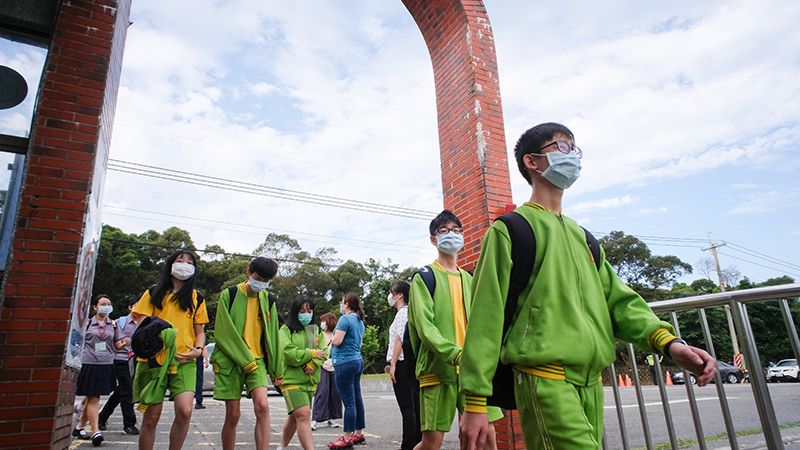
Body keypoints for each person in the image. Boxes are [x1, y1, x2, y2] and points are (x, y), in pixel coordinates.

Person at [459, 122, 717, 450]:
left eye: (575, 149)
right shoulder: (512, 229)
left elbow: (620, 302)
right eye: (562, 147)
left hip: (592, 383)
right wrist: (476, 402)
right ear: (532, 162)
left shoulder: (584, 238)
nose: (573, 157)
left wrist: (669, 343)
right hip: (545, 379)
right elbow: (486, 317)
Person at [407, 210, 501, 450]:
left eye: (457, 231)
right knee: (432, 441)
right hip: (438, 370)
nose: (452, 235)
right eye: (444, 231)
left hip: (472, 371)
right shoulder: (424, 278)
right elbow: (426, 329)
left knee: (486, 433)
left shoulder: (470, 280)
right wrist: (456, 353)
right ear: (433, 239)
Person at [132, 249, 209, 450]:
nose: (184, 263)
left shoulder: (197, 298)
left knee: (185, 411)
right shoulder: (153, 292)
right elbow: (141, 324)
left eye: (189, 261)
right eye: (179, 259)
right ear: (170, 265)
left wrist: (199, 349)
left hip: (186, 361)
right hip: (155, 362)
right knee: (151, 417)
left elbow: (200, 331)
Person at [211, 257, 283, 450]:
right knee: (233, 415)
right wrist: (245, 359)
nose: (261, 283)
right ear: (248, 272)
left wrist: (277, 371)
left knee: (263, 406)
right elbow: (223, 332)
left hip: (257, 360)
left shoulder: (269, 299)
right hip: (231, 360)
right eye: (258, 277)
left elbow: (274, 336)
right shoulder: (230, 294)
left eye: (266, 281)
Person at [73, 294, 125, 447]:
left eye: (108, 303)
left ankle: (79, 427)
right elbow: (76, 341)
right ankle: (96, 431)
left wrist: (125, 343)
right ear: (95, 307)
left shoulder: (113, 325)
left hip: (106, 363)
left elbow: (117, 345)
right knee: (94, 398)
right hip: (89, 363)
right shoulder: (87, 323)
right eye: (103, 303)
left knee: (92, 397)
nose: (106, 306)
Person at [277, 295, 328, 450]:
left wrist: (314, 363)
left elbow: (323, 351)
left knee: (295, 416)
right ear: (295, 312)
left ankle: (282, 446)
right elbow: (288, 353)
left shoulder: (314, 330)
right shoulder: (286, 330)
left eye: (309, 310)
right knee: (303, 414)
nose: (306, 314)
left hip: (310, 381)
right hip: (292, 380)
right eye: (302, 311)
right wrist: (310, 354)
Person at [328, 293, 367, 449]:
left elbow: (337, 341)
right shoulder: (359, 321)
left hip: (344, 362)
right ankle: (358, 433)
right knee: (357, 399)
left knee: (349, 402)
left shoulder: (344, 319)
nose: (341, 304)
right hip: (357, 360)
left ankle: (346, 437)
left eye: (342, 302)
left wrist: (331, 338)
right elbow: (359, 343)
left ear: (346, 304)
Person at [387, 280, 421, 450]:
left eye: (392, 293)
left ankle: (408, 445)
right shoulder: (411, 312)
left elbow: (400, 339)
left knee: (407, 408)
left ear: (399, 295)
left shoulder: (402, 313)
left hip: (401, 363)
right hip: (410, 363)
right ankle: (418, 443)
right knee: (415, 406)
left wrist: (392, 364)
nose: (390, 296)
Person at [98, 299, 140, 435]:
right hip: (119, 360)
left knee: (120, 392)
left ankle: (101, 417)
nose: (139, 309)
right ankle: (129, 424)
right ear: (129, 307)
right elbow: (107, 340)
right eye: (136, 306)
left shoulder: (143, 324)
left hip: (134, 361)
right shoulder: (119, 322)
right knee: (127, 390)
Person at [311, 312, 342, 431]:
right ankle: (314, 419)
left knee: (334, 393)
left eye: (323, 321)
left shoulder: (336, 335)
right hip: (322, 365)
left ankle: (331, 418)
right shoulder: (319, 335)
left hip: (334, 365)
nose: (322, 323)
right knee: (322, 392)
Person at [195, 332, 207, 409]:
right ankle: (198, 402)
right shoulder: (200, 334)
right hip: (198, 359)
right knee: (199, 380)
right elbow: (204, 348)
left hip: (187, 358)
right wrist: (206, 360)